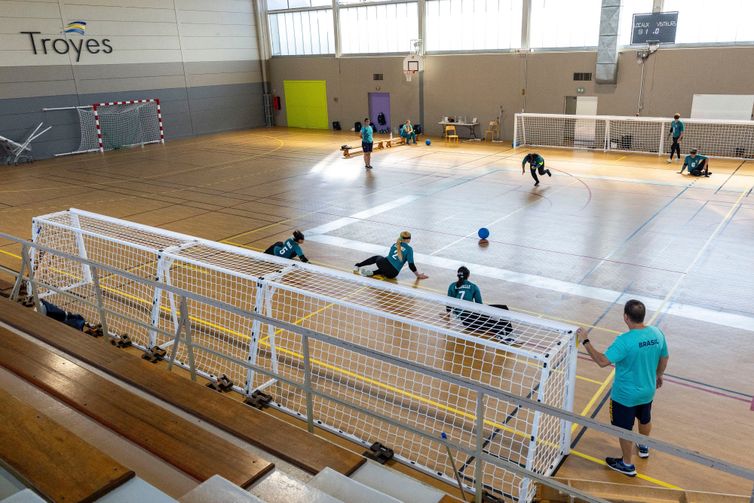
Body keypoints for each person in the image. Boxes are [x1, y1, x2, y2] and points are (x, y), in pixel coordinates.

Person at [576, 299, 669, 477]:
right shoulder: (657, 333)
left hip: (625, 396)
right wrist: (659, 374)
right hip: (648, 391)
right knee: (644, 418)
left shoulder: (624, 341)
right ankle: (643, 445)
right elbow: (665, 357)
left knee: (624, 428)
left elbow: (602, 361)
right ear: (643, 316)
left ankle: (626, 464)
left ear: (626, 317)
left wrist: (586, 341)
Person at [446, 267, 513, 341]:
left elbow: (448, 303)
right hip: (472, 319)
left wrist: (447, 315)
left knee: (492, 321)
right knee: (503, 308)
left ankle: (502, 333)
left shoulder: (452, 286)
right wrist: (489, 314)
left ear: (457, 275)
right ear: (468, 275)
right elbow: (479, 305)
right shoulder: (473, 287)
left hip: (466, 322)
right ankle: (507, 333)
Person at [353, 231, 428, 280]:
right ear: (409, 239)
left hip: (383, 264)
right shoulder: (409, 249)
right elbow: (411, 265)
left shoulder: (395, 244)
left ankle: (358, 265)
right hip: (392, 274)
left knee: (378, 258)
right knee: (387, 268)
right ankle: (373, 273)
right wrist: (418, 275)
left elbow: (389, 258)